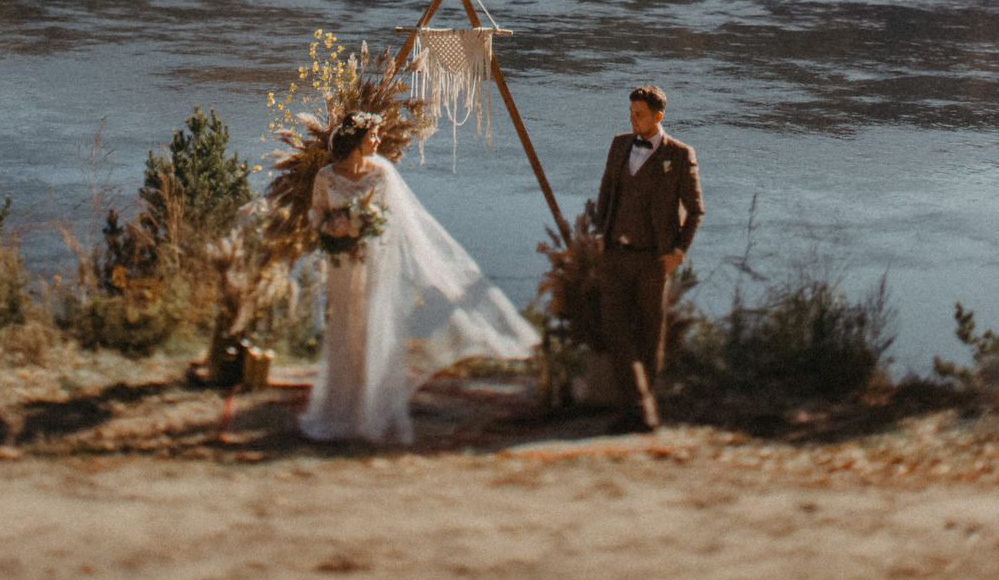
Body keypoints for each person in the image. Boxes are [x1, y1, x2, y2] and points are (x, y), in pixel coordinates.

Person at [300, 110, 539, 446]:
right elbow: (317, 217)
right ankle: (341, 406)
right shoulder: (326, 176)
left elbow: (394, 221)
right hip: (343, 264)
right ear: (357, 139)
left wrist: (365, 228)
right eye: (374, 135)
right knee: (346, 330)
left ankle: (372, 410)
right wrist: (336, 228)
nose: (379, 141)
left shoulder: (382, 172)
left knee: (373, 329)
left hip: (377, 264)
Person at [593, 84, 703, 433]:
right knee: (614, 330)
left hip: (653, 261)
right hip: (615, 255)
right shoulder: (619, 144)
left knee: (649, 335)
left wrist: (678, 253)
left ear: (659, 116)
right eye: (631, 112)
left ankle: (637, 413)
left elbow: (696, 211)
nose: (633, 119)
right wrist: (600, 235)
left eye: (639, 114)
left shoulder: (680, 156)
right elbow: (606, 191)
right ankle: (639, 406)